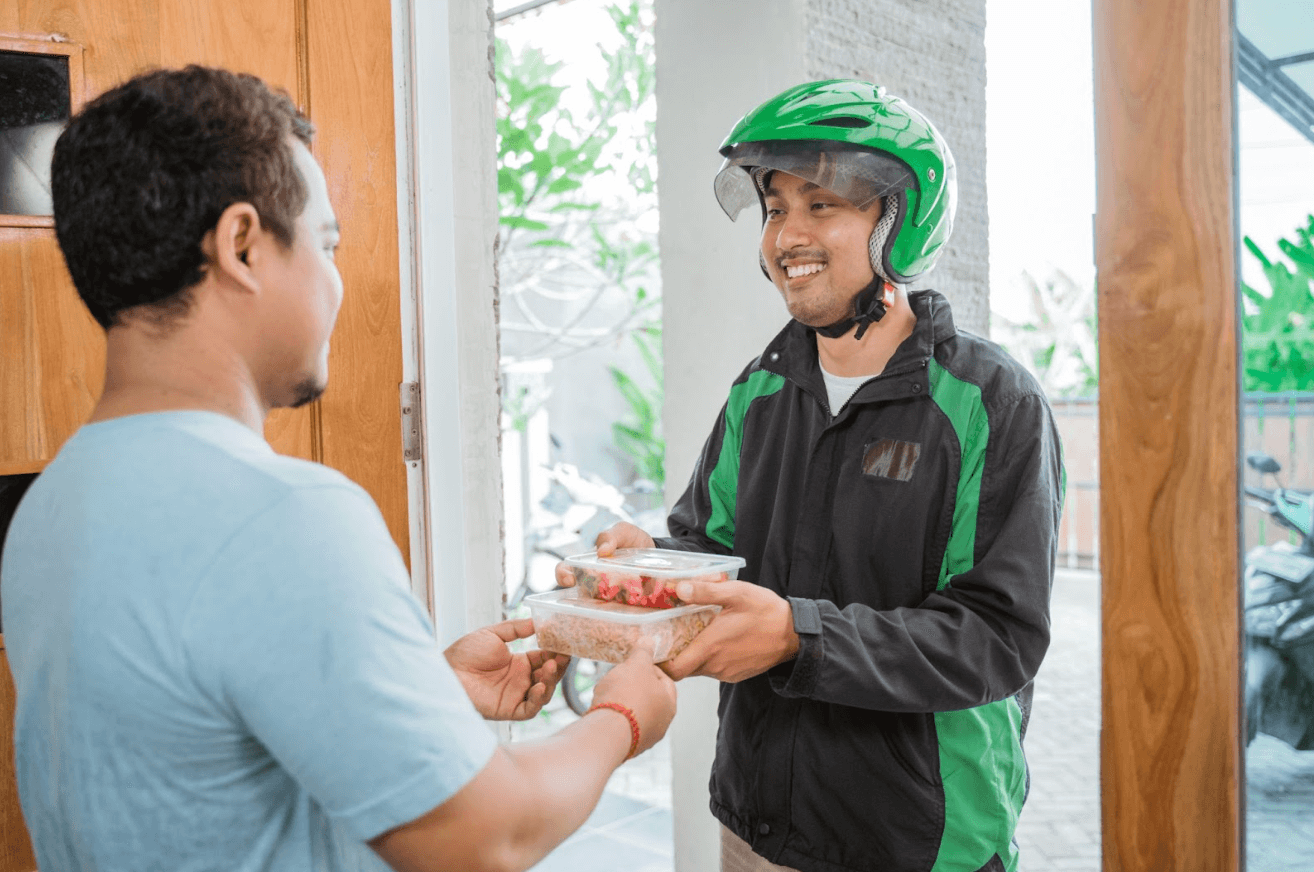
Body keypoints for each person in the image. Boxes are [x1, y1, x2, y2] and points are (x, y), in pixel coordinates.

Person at [0, 65, 676, 872]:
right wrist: (622, 719)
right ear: (242, 244)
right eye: (326, 242)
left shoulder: (53, 502)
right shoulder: (278, 515)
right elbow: (483, 837)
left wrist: (417, 690)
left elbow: (186, 745)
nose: (336, 278)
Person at [565, 80, 1064, 872]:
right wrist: (644, 568)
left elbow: (996, 638)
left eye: (822, 204)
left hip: (920, 843)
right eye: (773, 208)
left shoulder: (989, 403)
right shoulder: (761, 392)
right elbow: (709, 547)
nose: (787, 234)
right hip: (757, 829)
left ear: (897, 220)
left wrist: (799, 635)